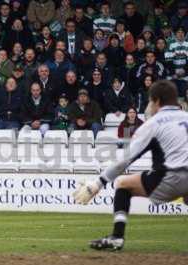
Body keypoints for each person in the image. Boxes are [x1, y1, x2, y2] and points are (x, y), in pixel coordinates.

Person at [73, 80, 188, 250]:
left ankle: (117, 237)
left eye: (150, 101)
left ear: (156, 101)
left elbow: (125, 160)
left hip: (168, 177)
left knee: (123, 184)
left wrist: (98, 183)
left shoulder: (153, 123)